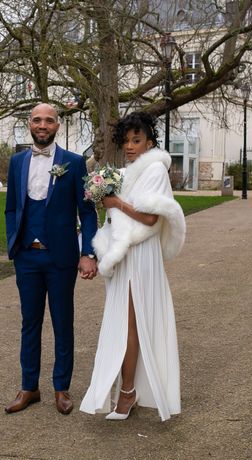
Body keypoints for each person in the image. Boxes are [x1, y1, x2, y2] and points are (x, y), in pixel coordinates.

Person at [80, 111, 186, 421]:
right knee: (126, 323)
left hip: (141, 256)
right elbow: (118, 220)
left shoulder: (155, 170)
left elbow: (152, 218)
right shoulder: (126, 174)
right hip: (126, 255)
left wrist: (115, 203)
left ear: (149, 142)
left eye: (136, 140)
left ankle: (127, 393)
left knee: (131, 324)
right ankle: (129, 390)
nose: (130, 146)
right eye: (126, 141)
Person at [4, 103, 99, 415]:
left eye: (49, 120)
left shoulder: (73, 163)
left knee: (62, 322)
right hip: (27, 259)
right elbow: (11, 208)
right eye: (37, 120)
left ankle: (62, 387)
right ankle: (29, 387)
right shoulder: (16, 161)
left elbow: (86, 212)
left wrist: (88, 253)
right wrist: (13, 245)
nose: (42, 125)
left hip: (61, 258)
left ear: (58, 125)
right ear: (29, 124)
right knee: (29, 323)